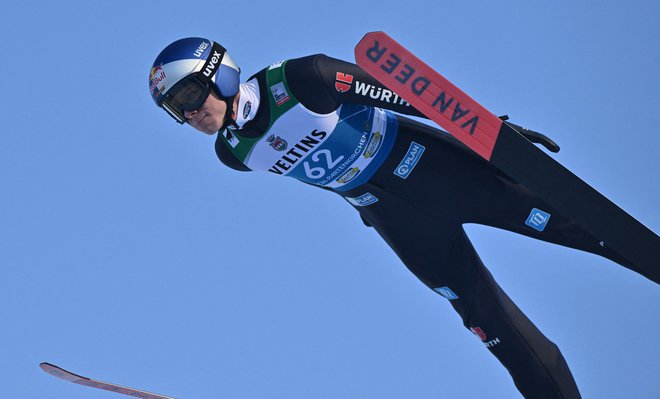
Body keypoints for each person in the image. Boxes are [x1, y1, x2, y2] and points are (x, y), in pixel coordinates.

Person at [148, 37, 655, 399]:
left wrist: (497, 134)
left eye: (190, 95)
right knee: (494, 330)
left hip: (440, 170)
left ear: (222, 72)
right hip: (400, 224)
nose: (190, 113)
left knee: (587, 228)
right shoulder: (233, 153)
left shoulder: (303, 79)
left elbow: (411, 96)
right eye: (177, 109)